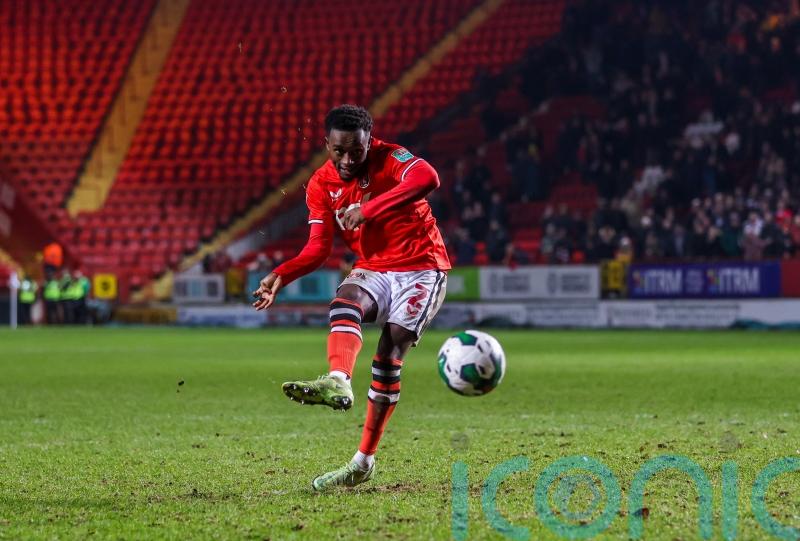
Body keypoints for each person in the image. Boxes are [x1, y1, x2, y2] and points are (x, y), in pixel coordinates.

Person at [252, 105, 450, 491]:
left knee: (387, 359)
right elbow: (317, 249)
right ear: (327, 144)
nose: (346, 160)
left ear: (368, 142)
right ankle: (339, 379)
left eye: (355, 151)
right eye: (338, 150)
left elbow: (429, 177)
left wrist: (369, 208)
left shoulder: (390, 158)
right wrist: (281, 274)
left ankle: (362, 462)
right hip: (375, 266)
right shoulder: (320, 185)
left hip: (422, 267)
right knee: (345, 301)